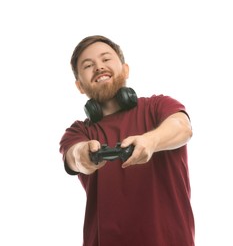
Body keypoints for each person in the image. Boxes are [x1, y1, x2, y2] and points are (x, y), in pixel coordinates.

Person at [59, 35, 195, 246]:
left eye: (106, 59)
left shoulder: (158, 106)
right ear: (80, 86)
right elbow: (74, 156)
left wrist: (151, 141)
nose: (99, 67)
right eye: (88, 65)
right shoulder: (78, 132)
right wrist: (84, 155)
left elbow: (182, 127)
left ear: (125, 69)